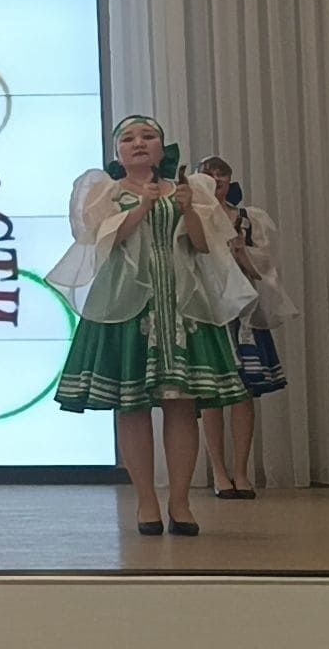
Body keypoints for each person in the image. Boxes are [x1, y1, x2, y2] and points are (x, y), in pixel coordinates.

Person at [49, 116, 255, 537]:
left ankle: (180, 501)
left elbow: (203, 246)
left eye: (148, 137)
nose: (139, 143)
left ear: (162, 148)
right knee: (132, 405)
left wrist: (187, 209)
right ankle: (145, 500)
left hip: (181, 305)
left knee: (182, 405)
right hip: (127, 306)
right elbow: (104, 242)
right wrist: (142, 204)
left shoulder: (189, 189)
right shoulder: (105, 191)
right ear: (118, 152)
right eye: (128, 139)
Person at [195, 155, 298, 500]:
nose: (216, 181)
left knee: (243, 392)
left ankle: (241, 470)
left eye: (221, 175)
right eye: (209, 175)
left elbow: (264, 270)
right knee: (212, 393)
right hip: (209, 313)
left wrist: (241, 253)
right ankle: (218, 472)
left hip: (243, 315)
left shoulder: (248, 219)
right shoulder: (193, 218)